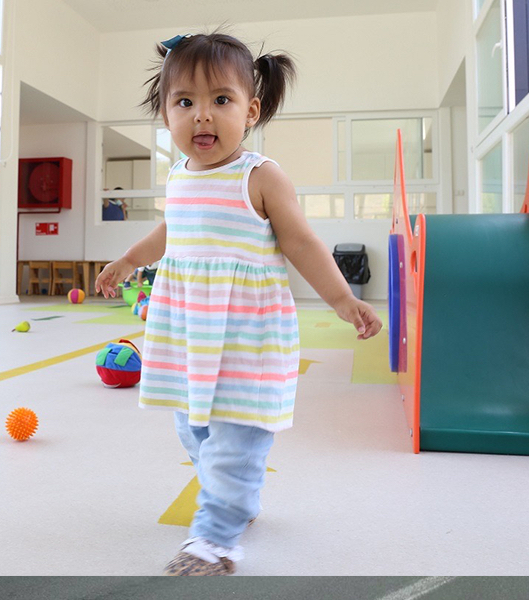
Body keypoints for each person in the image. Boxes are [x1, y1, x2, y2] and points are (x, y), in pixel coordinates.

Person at [94, 32, 382, 576]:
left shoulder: (260, 175)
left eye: (220, 100)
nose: (202, 115)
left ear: (250, 111)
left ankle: (215, 542)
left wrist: (342, 298)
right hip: (189, 336)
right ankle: (235, 498)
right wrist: (129, 260)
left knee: (233, 440)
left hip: (246, 338)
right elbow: (170, 233)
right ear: (166, 114)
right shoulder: (178, 176)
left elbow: (302, 243)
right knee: (194, 432)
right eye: (185, 102)